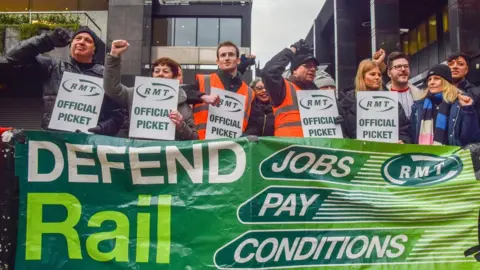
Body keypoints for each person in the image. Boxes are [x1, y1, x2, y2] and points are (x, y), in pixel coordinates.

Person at [6, 27, 124, 135]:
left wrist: (101, 129)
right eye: (78, 38)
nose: (82, 42)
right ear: (71, 45)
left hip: (89, 142)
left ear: (94, 50)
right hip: (54, 139)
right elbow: (13, 57)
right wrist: (48, 40)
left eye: (88, 40)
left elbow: (116, 115)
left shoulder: (105, 76)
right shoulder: (52, 66)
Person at [103, 40, 197, 140]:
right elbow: (112, 89)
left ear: (174, 77)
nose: (160, 74)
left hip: (166, 153)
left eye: (165, 71)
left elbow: (194, 138)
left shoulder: (184, 106)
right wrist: (114, 57)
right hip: (138, 151)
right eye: (156, 71)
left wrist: (181, 126)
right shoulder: (136, 94)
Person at [263, 39, 338, 137]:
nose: (312, 69)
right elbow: (269, 72)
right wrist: (292, 50)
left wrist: (335, 123)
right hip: (287, 148)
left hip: (314, 149)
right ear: (294, 70)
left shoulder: (318, 94)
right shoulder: (282, 88)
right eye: (307, 66)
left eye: (315, 67)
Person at [190, 41, 256, 140]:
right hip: (202, 148)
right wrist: (202, 96)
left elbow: (254, 124)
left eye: (231, 54)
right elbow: (182, 93)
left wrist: (243, 137)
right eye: (223, 55)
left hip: (233, 149)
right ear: (218, 62)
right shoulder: (203, 81)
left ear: (238, 60)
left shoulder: (250, 93)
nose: (227, 58)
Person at [339, 59, 412, 143]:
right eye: (372, 74)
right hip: (356, 154)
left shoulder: (392, 102)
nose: (377, 77)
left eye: (379, 75)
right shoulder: (346, 104)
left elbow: (405, 129)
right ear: (362, 77)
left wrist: (403, 141)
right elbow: (341, 134)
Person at [411, 64, 480, 146]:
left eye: (437, 79)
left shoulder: (459, 103)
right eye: (429, 79)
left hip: (453, 157)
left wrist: (468, 109)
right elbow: (412, 136)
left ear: (446, 82)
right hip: (424, 157)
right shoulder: (418, 106)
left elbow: (471, 138)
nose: (431, 82)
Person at [385, 52, 423, 118]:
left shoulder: (421, 96)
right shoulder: (382, 97)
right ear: (389, 73)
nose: (403, 69)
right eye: (398, 67)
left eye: (406, 66)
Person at [447, 52, 480, 122]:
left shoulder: (476, 93)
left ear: (466, 70)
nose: (455, 66)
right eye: (451, 64)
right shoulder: (439, 92)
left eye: (460, 64)